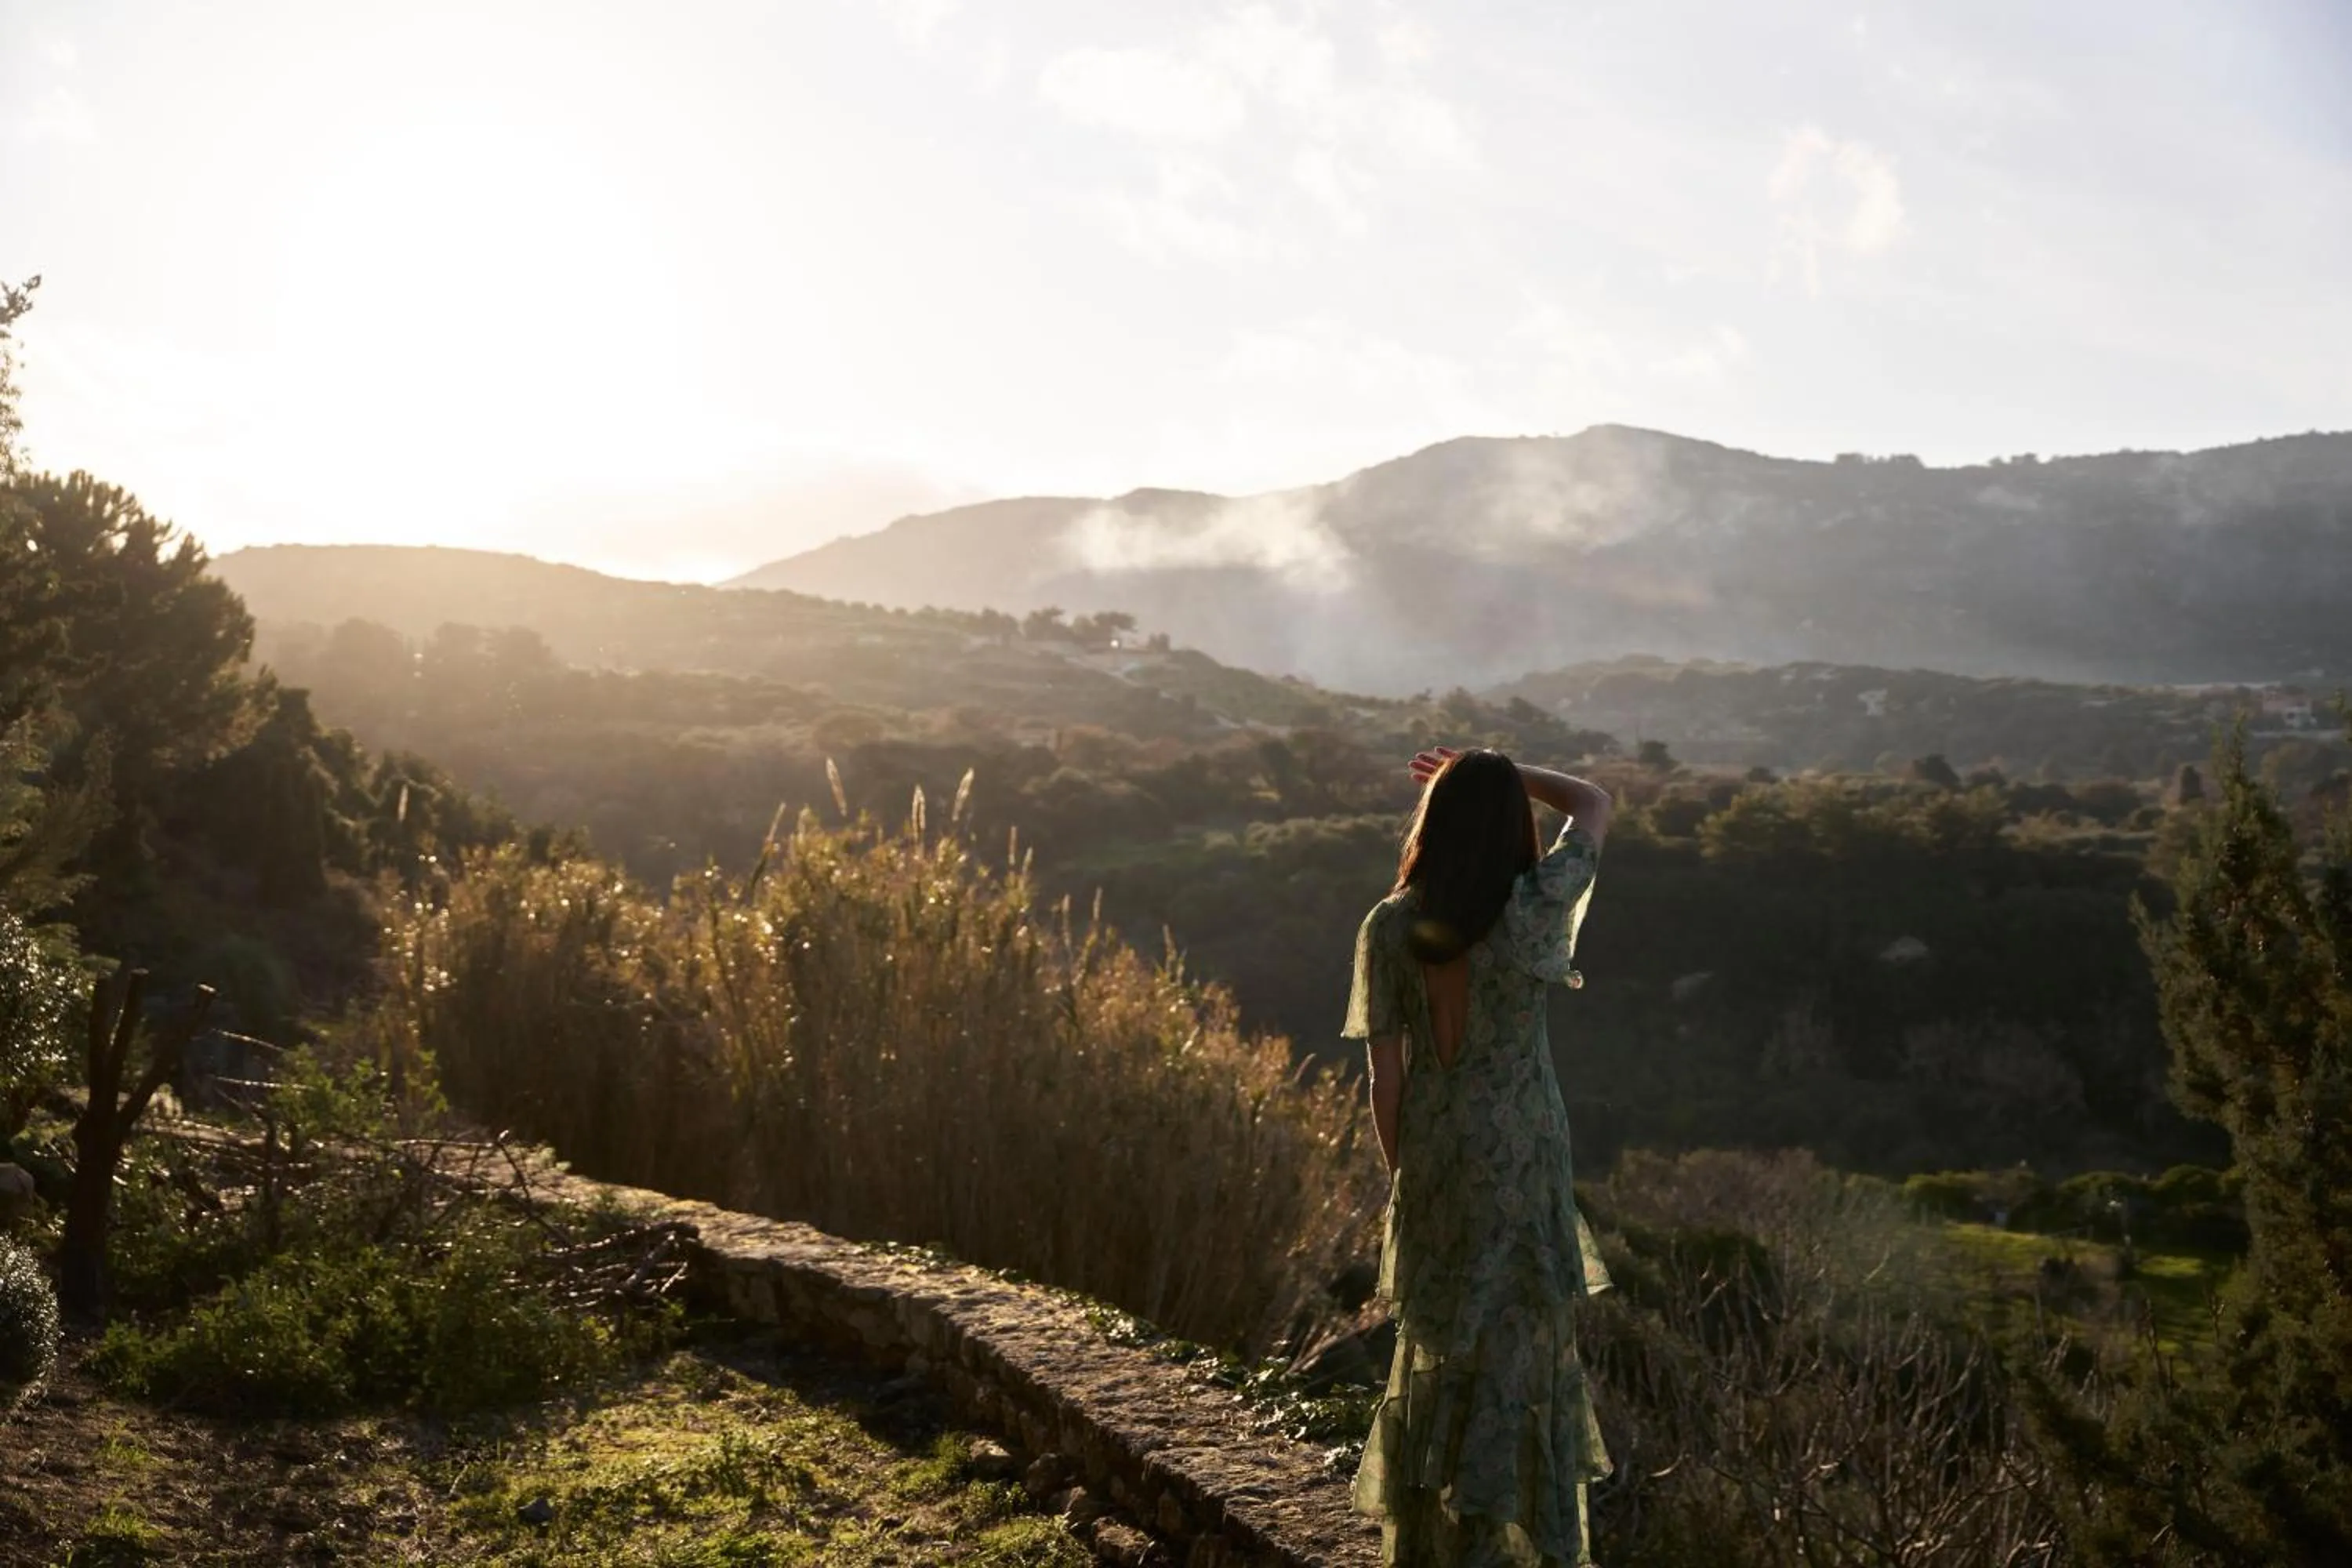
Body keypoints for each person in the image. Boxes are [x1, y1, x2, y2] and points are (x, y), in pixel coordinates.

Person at [1347, 745, 1615, 1567]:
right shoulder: (1532, 906)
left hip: (1437, 1151)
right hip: (1526, 1149)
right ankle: (1516, 1545)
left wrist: (1407, 1177)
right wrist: (1503, 773)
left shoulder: (1391, 923)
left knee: (1439, 1342)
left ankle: (1436, 1543)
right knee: (1524, 1343)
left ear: (1434, 820)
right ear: (1509, 826)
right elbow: (1595, 803)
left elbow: (1383, 1076)